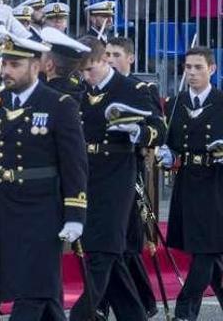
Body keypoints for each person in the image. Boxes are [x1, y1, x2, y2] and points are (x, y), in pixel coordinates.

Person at [0, 26, 87, 320]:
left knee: (31, 294)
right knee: (42, 293)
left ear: (36, 65)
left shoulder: (58, 104)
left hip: (43, 209)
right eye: (4, 63)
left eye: (14, 64)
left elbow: (74, 164)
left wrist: (75, 214)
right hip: (7, 206)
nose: (6, 70)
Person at [69, 36, 164, 321]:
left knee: (103, 250)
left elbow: (159, 127)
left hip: (118, 175)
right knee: (109, 254)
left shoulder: (132, 88)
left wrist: (138, 133)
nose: (86, 76)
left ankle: (80, 315)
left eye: (91, 69)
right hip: (86, 174)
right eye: (82, 72)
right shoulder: (79, 92)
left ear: (103, 60)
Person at [160, 47, 223, 321]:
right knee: (209, 249)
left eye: (198, 67)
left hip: (216, 183)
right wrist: (167, 155)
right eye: (188, 67)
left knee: (207, 248)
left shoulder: (221, 101)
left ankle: (185, 312)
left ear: (212, 69)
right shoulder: (175, 102)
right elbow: (172, 143)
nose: (192, 72)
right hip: (187, 181)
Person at [101, 36, 161, 318]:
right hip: (100, 174)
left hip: (130, 169)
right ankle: (111, 304)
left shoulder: (141, 88)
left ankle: (139, 301)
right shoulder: (98, 89)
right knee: (115, 243)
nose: (110, 58)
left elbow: (157, 127)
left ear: (130, 57)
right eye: (107, 54)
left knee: (128, 240)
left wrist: (139, 134)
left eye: (116, 54)